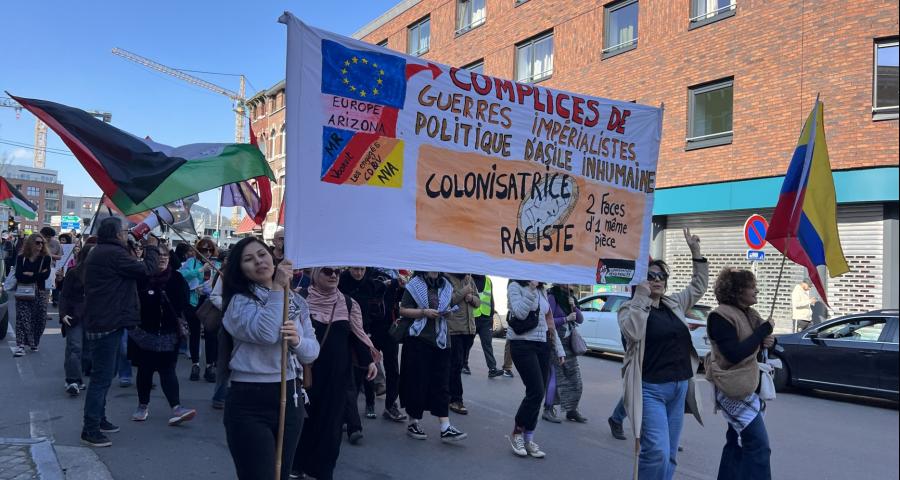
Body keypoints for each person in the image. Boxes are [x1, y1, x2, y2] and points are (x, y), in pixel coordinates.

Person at [221, 237, 318, 480]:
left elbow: (311, 352)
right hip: (249, 400)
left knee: (281, 475)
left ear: (272, 257)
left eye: (262, 254)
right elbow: (266, 333)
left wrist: (297, 341)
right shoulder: (238, 302)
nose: (258, 262)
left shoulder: (298, 302)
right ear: (240, 269)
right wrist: (277, 289)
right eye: (248, 259)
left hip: (290, 395)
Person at [617, 228, 708, 480]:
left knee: (669, 454)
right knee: (655, 450)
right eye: (650, 275)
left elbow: (698, 286)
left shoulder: (674, 303)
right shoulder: (629, 308)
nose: (657, 280)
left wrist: (696, 253)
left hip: (679, 388)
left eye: (661, 276)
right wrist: (641, 297)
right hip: (650, 390)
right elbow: (632, 333)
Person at [81, 217, 160, 448]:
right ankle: (90, 428)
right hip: (108, 321)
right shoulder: (113, 254)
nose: (128, 234)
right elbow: (146, 269)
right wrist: (152, 247)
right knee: (101, 378)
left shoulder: (103, 251)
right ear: (116, 234)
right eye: (125, 231)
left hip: (105, 319)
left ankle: (99, 419)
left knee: (105, 375)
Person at [295, 267, 378, 479]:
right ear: (315, 274)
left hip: (337, 374)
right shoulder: (299, 299)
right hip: (304, 371)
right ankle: (297, 463)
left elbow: (357, 335)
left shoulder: (348, 303)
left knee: (331, 423)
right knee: (303, 420)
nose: (333, 276)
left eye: (337, 273)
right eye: (327, 271)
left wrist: (369, 362)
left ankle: (324, 470)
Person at [706, 268, 774, 480]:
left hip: (749, 386)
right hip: (733, 388)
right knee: (758, 446)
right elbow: (735, 354)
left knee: (735, 442)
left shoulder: (750, 314)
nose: (757, 291)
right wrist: (763, 332)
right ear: (736, 290)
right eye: (751, 287)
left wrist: (771, 340)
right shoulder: (719, 316)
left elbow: (759, 343)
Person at [397, 271, 468, 443]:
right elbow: (403, 310)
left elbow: (449, 305)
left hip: (442, 340)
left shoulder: (446, 285)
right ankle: (413, 422)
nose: (435, 270)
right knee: (417, 383)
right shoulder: (414, 284)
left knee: (442, 383)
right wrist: (424, 312)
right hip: (419, 340)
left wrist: (448, 313)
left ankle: (445, 427)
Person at [129, 248, 197, 426]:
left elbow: (183, 301)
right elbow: (132, 301)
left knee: (168, 370)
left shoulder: (176, 278)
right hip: (145, 333)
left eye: (166, 256)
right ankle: (142, 405)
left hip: (168, 333)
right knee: (145, 370)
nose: (163, 259)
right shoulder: (142, 278)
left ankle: (176, 407)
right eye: (159, 256)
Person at [506, 279, 565, 458]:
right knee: (536, 391)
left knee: (538, 393)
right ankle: (517, 433)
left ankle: (528, 437)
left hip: (542, 345)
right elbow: (520, 313)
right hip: (521, 343)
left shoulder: (542, 289)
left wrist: (559, 348)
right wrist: (531, 288)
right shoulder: (514, 286)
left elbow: (549, 322)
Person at [338, 267, 402, 425]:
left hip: (390, 327)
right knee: (363, 368)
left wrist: (398, 285)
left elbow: (399, 298)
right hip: (367, 328)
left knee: (392, 368)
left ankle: (390, 405)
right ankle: (367, 404)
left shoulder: (396, 272)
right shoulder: (362, 274)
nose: (359, 272)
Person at [179, 237, 221, 382]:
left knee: (211, 334)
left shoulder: (217, 264)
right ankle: (195, 365)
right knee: (195, 333)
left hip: (210, 303)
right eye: (204, 249)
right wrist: (200, 270)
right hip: (193, 301)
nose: (207, 252)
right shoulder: (192, 263)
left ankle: (210, 366)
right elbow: (182, 276)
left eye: (210, 249)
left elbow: (221, 282)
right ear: (198, 250)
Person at [543, 283, 587, 423]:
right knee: (556, 378)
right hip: (556, 341)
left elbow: (580, 319)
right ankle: (548, 409)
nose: (569, 283)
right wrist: (565, 319)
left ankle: (572, 409)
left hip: (569, 344)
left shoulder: (571, 297)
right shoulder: (552, 297)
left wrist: (573, 306)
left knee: (575, 379)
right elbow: (547, 321)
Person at [59, 244, 95, 396]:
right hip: (74, 316)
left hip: (93, 317)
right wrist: (63, 314)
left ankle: (78, 378)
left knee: (87, 351)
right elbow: (64, 295)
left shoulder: (102, 274)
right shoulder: (73, 273)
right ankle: (72, 380)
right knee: (75, 347)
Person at [12, 233, 52, 357]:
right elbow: (18, 275)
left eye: (42, 243)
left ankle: (33, 342)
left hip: (40, 292)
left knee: (39, 320)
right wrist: (35, 275)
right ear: (31, 243)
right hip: (23, 291)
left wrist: (31, 274)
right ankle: (20, 345)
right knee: (23, 318)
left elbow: (45, 275)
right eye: (37, 242)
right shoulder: (21, 258)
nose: (40, 245)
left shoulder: (46, 258)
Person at [446, 273, 480, 415]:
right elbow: (449, 301)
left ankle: (447, 392)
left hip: (469, 329)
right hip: (454, 329)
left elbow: (478, 302)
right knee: (456, 363)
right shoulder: (447, 278)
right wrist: (464, 291)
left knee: (458, 364)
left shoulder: (469, 278)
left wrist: (471, 297)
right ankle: (456, 399)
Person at [471, 275, 503, 378]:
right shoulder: (469, 278)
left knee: (487, 344)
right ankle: (463, 364)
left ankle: (492, 369)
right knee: (467, 343)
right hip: (473, 316)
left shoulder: (488, 280)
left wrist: (491, 315)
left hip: (485, 318)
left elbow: (491, 299)